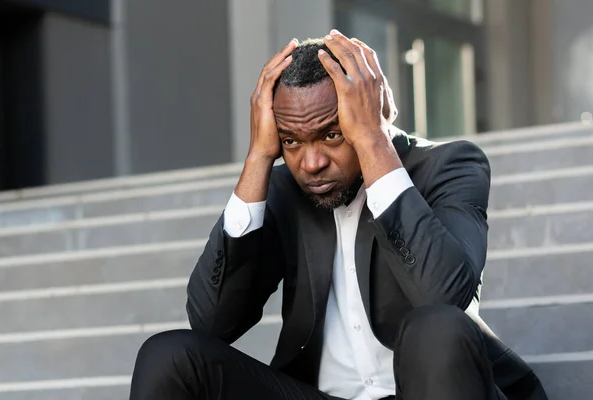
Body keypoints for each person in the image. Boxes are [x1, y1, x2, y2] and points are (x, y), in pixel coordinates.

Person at [129, 30, 548, 400]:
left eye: (332, 134)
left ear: (366, 112)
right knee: (168, 357)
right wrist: (259, 155)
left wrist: (371, 140)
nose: (311, 163)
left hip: (428, 389)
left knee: (435, 329)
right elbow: (210, 322)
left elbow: (444, 296)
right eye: (291, 140)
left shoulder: (450, 166)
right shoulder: (281, 190)